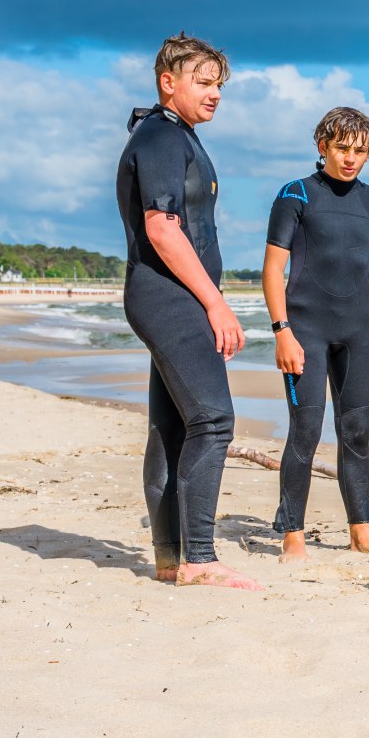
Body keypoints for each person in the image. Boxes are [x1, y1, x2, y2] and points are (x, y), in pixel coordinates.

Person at [114, 32, 258, 589]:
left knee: (173, 427)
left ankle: (172, 558)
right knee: (213, 419)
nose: (215, 93)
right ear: (167, 82)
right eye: (203, 82)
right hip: (167, 295)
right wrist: (216, 303)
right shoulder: (161, 137)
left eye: (219, 84)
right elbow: (162, 226)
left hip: (171, 296)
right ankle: (199, 557)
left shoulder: (176, 136)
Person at [263, 106, 369, 562]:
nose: (351, 158)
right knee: (304, 431)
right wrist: (282, 331)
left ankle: (362, 532)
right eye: (342, 148)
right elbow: (272, 269)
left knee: (357, 431)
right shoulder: (295, 195)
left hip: (356, 333)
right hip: (304, 330)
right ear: (322, 146)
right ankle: (293, 536)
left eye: (360, 150)